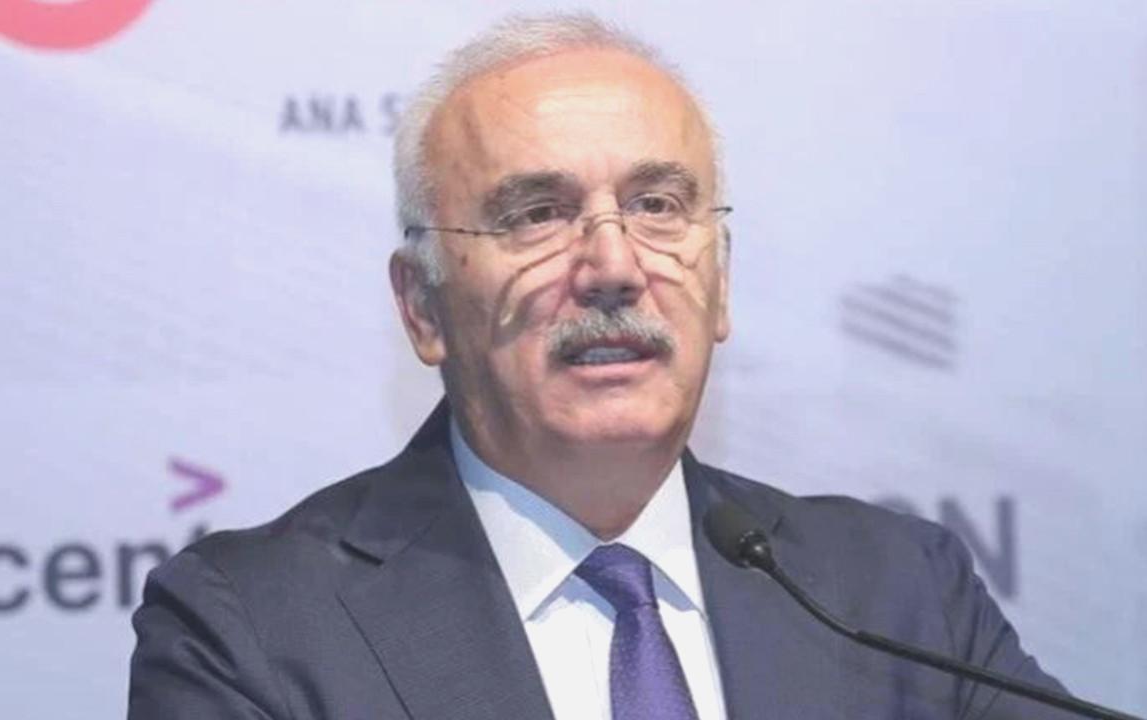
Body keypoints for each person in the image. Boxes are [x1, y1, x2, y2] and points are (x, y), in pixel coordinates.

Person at [128, 12, 1073, 720]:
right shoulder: (252, 628)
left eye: (658, 205)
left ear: (722, 284)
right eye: (537, 214)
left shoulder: (898, 593)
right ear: (422, 307)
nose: (615, 265)